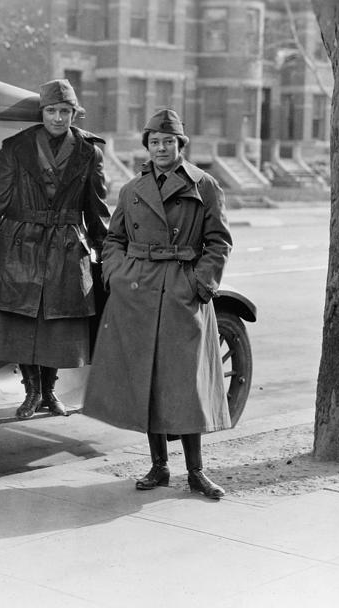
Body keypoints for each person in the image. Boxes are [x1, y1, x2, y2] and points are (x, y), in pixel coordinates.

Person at [82, 108, 233, 499]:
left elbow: (218, 242)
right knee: (147, 381)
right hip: (139, 292)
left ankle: (196, 472)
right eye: (154, 142)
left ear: (181, 145)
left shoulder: (205, 185)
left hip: (182, 291)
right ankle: (159, 467)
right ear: (147, 147)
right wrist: (116, 274)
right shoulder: (133, 190)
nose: (161, 148)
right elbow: (113, 239)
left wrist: (199, 284)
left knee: (185, 384)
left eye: (169, 142)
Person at [0, 79, 109, 419]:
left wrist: (106, 249)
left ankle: (50, 391)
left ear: (74, 114)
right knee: (24, 323)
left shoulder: (90, 152)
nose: (58, 118)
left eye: (65, 111)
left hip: (66, 247)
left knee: (57, 324)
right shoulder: (15, 148)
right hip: (22, 245)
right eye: (52, 111)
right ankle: (32, 392)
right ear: (42, 113)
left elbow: (96, 208)